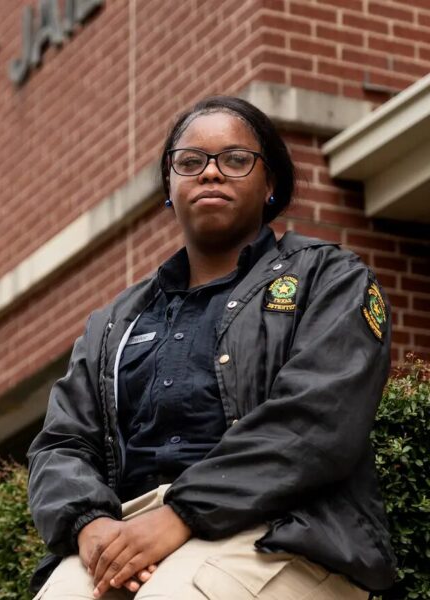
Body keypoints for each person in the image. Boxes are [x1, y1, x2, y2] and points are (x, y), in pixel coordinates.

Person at [27, 96, 396, 600]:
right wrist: (89, 526)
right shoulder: (115, 321)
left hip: (286, 529)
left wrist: (181, 513)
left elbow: (316, 419)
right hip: (127, 529)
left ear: (270, 185)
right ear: (169, 187)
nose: (211, 174)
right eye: (190, 162)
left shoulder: (329, 279)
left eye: (236, 159)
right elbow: (61, 444)